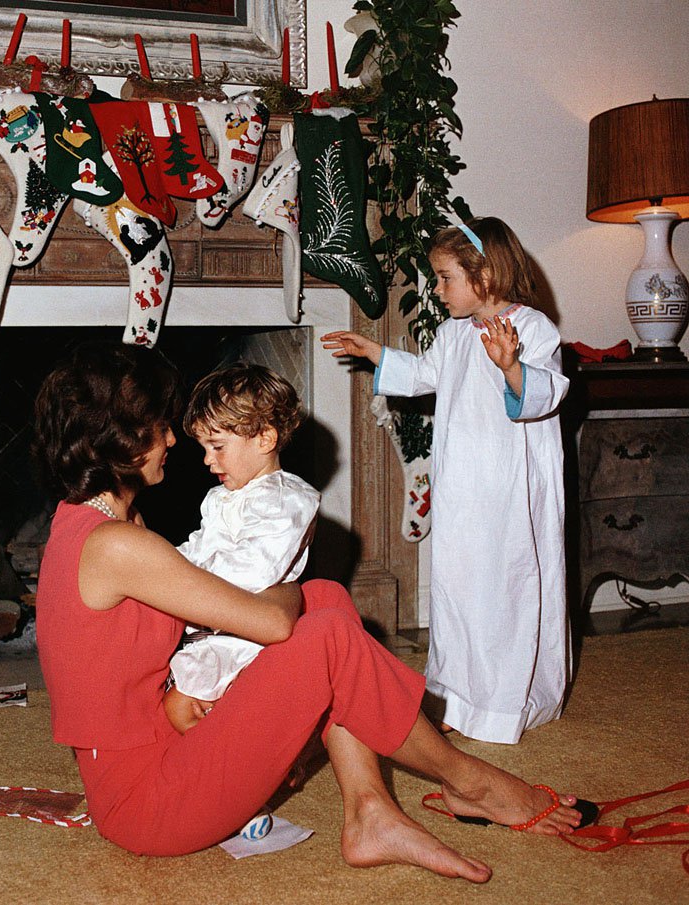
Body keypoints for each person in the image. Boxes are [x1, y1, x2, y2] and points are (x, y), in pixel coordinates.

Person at [32, 340, 588, 881]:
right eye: (160, 426)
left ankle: (370, 812)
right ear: (125, 442)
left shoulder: (98, 526)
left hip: (169, 745)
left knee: (327, 600)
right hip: (148, 802)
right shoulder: (118, 547)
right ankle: (468, 780)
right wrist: (289, 577)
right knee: (320, 624)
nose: (173, 440)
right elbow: (273, 622)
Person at [321, 217, 570, 745]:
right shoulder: (456, 332)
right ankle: (456, 694)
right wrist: (376, 354)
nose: (437, 290)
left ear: (485, 274)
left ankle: (502, 703)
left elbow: (546, 394)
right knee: (458, 588)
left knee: (504, 589)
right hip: (462, 489)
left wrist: (511, 368)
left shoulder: (533, 329)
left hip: (508, 492)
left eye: (444, 278)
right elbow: (425, 375)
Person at [163, 363, 320, 735]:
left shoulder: (287, 500)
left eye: (217, 447)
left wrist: (184, 586)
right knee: (170, 706)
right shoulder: (220, 498)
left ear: (265, 439)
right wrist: (163, 566)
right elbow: (199, 546)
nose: (206, 459)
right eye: (203, 447)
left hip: (248, 638)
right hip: (213, 629)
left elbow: (254, 570)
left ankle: (247, 767)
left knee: (181, 708)